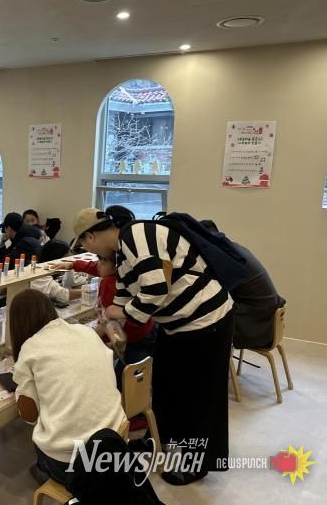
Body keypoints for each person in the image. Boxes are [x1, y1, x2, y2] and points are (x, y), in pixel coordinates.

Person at [72, 206, 234, 486]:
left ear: (90, 237)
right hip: (177, 326)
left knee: (197, 396)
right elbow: (123, 297)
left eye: (85, 246)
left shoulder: (137, 236)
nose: (91, 254)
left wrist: (119, 313)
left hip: (206, 321)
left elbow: (155, 291)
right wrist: (109, 317)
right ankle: (159, 439)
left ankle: (196, 463)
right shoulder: (122, 254)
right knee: (165, 386)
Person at [10, 289, 125, 486]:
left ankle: (46, 473)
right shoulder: (85, 331)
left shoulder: (30, 349)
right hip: (117, 439)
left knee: (41, 446)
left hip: (75, 462)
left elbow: (30, 416)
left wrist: (21, 386)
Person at [52, 206, 155, 369]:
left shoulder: (110, 281)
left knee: (126, 377)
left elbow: (112, 322)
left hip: (132, 339)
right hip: (145, 331)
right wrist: (73, 264)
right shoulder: (119, 258)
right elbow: (99, 267)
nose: (97, 263)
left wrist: (93, 341)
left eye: (100, 260)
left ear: (90, 236)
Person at [200, 219, 286, 349]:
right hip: (267, 317)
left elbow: (215, 292)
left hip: (258, 324)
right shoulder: (236, 248)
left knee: (203, 323)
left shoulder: (225, 256)